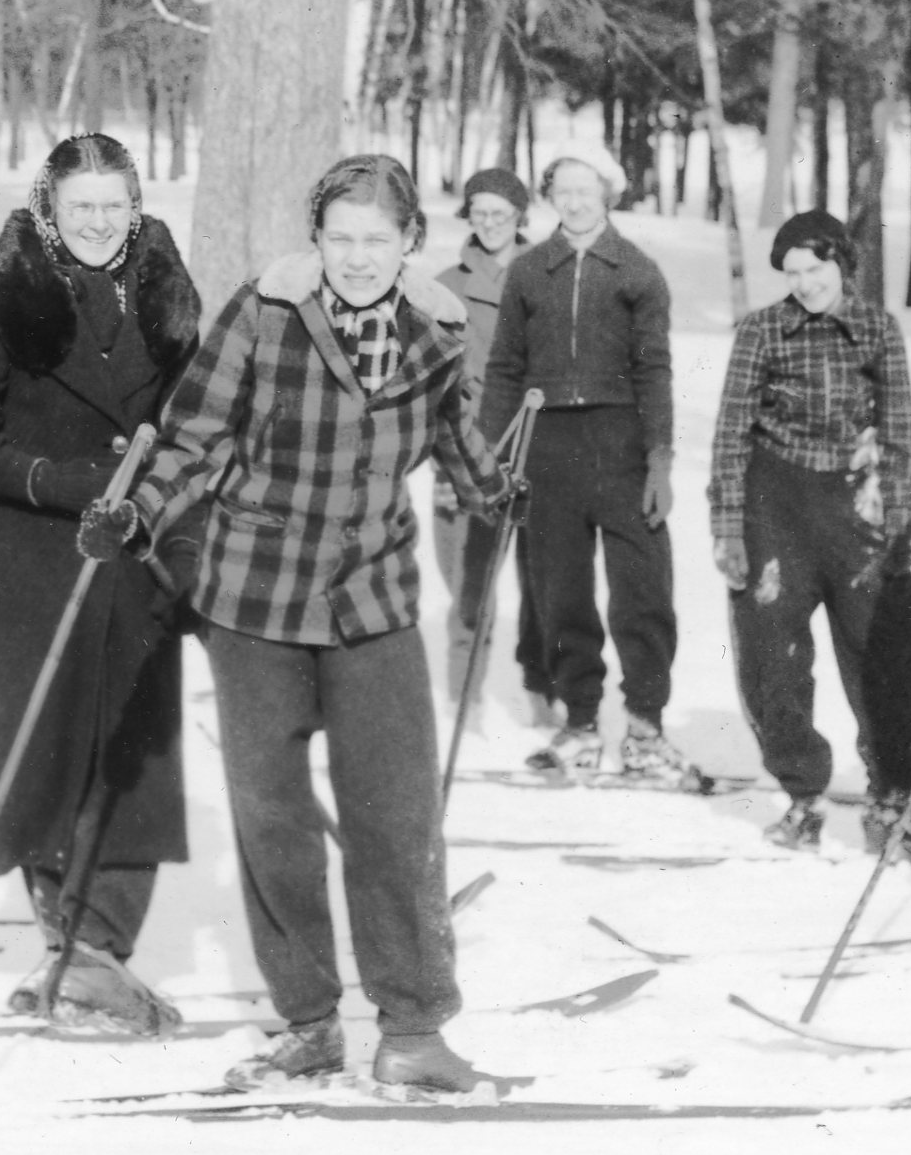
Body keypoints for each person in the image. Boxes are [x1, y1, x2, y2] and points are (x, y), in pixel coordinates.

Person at [91, 152, 509, 1098]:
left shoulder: (438, 334)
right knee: (273, 817)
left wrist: (496, 484)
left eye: (378, 239)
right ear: (315, 239)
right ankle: (310, 1021)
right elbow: (195, 433)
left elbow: (460, 440)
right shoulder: (265, 313)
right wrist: (140, 511)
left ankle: (412, 1025)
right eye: (340, 237)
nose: (358, 257)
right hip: (257, 595)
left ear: (410, 242)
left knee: (396, 818)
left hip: (373, 599)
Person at [0, 133, 201, 1035]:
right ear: (51, 207)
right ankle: (72, 949)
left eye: (112, 205)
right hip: (31, 557)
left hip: (135, 558)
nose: (96, 221)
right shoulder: (8, 301)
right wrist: (55, 477)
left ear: (136, 205)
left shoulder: (167, 300)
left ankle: (97, 953)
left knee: (131, 755)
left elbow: (197, 427)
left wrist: (161, 509)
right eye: (79, 205)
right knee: (40, 755)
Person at [708, 211, 911, 858]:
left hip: (855, 502)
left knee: (891, 655)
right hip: (775, 502)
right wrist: (729, 525)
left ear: (843, 263)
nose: (806, 283)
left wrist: (899, 523)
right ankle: (802, 792)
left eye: (817, 268)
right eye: (793, 273)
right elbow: (731, 432)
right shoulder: (762, 330)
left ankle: (892, 795)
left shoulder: (876, 328)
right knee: (771, 655)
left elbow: (900, 431)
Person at [475, 142, 685, 783]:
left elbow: (654, 369)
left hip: (620, 440)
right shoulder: (529, 270)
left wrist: (659, 460)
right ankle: (581, 721)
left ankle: (645, 724)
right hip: (549, 448)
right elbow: (505, 367)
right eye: (562, 189)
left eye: (584, 188)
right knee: (559, 590)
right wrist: (493, 453)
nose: (573, 200)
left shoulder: (637, 270)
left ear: (608, 192)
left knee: (643, 591)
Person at [433, 168, 532, 714]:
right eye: (480, 213)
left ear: (521, 218)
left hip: (535, 444)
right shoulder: (446, 284)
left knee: (544, 584)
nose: (491, 224)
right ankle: (464, 698)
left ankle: (544, 696)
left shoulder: (545, 274)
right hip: (464, 451)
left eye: (503, 213)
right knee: (467, 585)